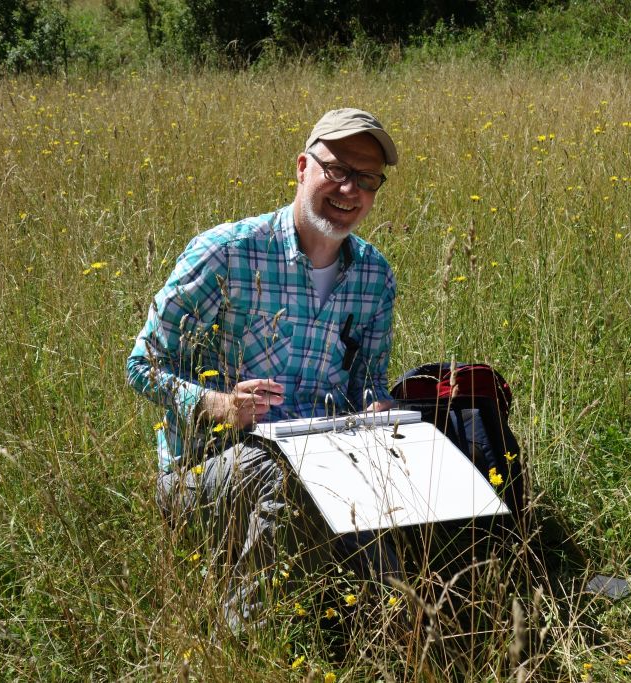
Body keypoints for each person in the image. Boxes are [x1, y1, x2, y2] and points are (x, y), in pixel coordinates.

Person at [126, 108, 401, 629]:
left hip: (323, 459)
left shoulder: (374, 277)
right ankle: (247, 641)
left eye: (367, 180)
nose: (350, 189)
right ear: (302, 167)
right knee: (285, 477)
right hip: (205, 470)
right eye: (337, 170)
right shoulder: (228, 252)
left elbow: (368, 381)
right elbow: (141, 366)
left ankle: (388, 631)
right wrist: (217, 403)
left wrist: (377, 409)